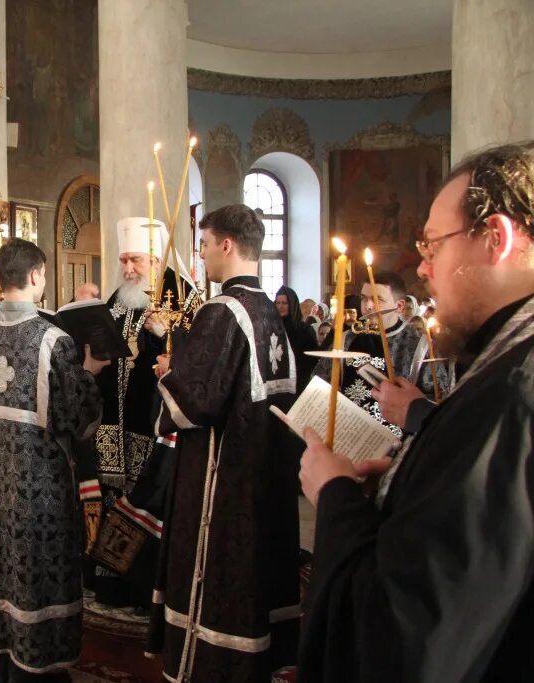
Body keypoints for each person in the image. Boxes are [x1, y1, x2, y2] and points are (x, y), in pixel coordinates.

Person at [298, 140, 534, 682]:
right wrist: (410, 475)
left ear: (495, 239)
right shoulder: (508, 362)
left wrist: (334, 493)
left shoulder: (513, 389)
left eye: (432, 245)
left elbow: (406, 631)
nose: (423, 269)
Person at [147, 204, 300, 682]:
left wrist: (168, 374)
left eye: (206, 244)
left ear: (227, 245)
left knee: (213, 579)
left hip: (221, 480)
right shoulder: (272, 316)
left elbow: (192, 406)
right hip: (264, 477)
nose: (204, 255)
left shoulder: (221, 311)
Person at [0, 239, 107, 680]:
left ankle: (1, 667)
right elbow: (76, 418)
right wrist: (91, 375)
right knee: (35, 572)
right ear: (34, 277)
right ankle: (38, 668)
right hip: (39, 487)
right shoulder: (54, 339)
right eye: (43, 274)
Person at [87, 216, 198, 609]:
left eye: (135, 260)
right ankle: (110, 582)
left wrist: (163, 336)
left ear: (155, 257)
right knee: (112, 497)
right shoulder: (119, 298)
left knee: (150, 502)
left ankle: (146, 588)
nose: (128, 269)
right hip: (112, 425)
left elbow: (200, 363)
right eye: (123, 260)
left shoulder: (184, 296)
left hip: (155, 430)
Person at [312, 271, 449, 439]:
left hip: (397, 446)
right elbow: (319, 383)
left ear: (399, 306)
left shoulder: (419, 346)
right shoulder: (346, 340)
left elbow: (436, 401)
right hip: (348, 437)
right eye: (364, 298)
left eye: (377, 300)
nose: (368, 306)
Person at [275, 285, 319, 393]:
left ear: (292, 304)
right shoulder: (271, 328)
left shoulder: (305, 331)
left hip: (299, 384)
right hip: (275, 384)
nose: (280, 306)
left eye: (284, 303)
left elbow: (312, 361)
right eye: (278, 303)